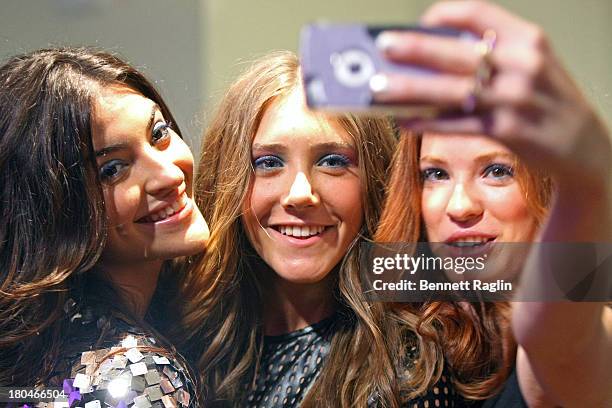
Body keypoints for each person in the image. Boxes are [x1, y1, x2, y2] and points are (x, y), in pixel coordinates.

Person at [179, 50, 509, 407]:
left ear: (375, 179)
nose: (300, 194)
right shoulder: (188, 337)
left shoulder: (407, 367)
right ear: (228, 178)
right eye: (269, 163)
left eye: (333, 161)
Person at [374, 1, 611, 406]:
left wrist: (590, 185)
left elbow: (556, 338)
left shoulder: (578, 325)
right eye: (435, 174)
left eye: (498, 171)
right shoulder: (392, 319)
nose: (461, 205)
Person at [0, 48, 209, 407]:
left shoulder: (38, 353)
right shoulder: (136, 377)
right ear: (53, 210)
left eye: (158, 133)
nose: (170, 175)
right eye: (112, 169)